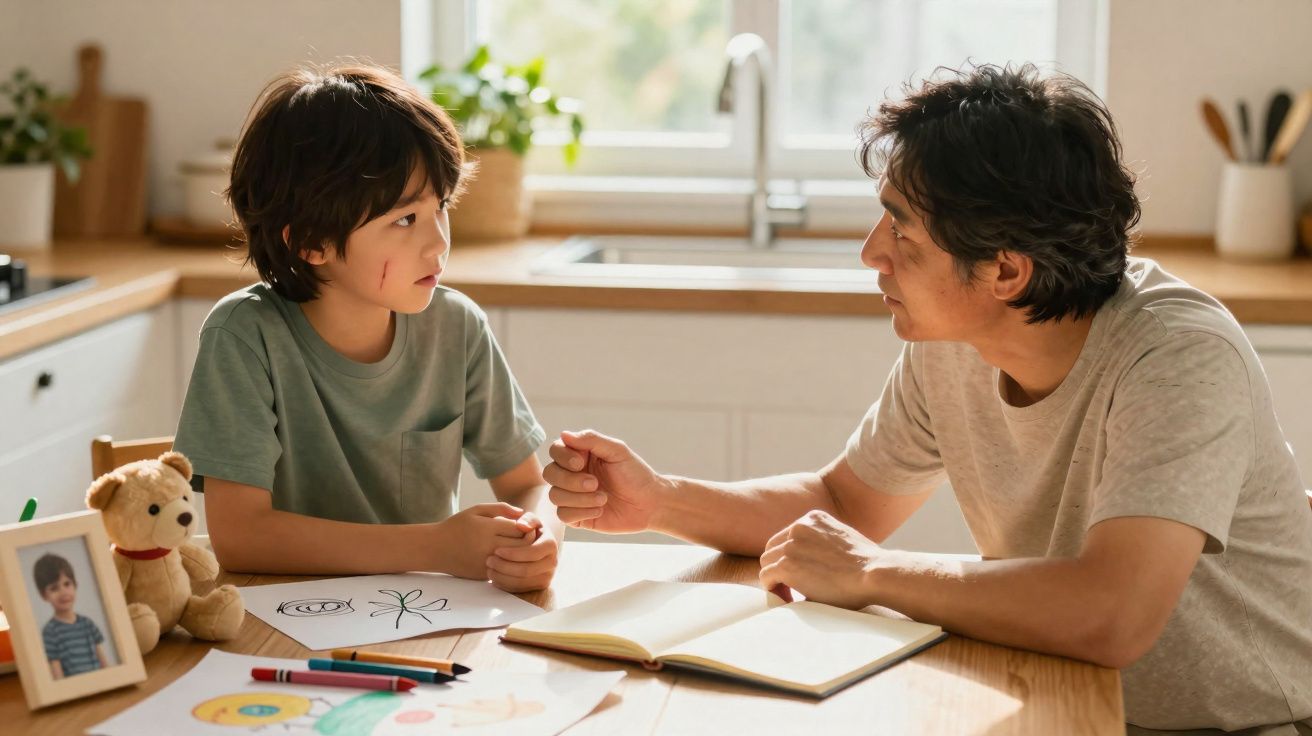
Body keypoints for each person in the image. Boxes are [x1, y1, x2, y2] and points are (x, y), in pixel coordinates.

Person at [544, 64, 1312, 734]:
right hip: (1067, 688)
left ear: (1005, 272)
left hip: (1246, 723)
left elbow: (1112, 614)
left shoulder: (1176, 357)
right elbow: (843, 503)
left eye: (902, 232)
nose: (871, 252)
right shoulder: (956, 341)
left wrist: (873, 575)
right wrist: (659, 499)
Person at [173, 63, 559, 592]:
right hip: (283, 616)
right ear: (310, 242)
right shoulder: (245, 335)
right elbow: (241, 537)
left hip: (423, 613)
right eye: (405, 219)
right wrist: (437, 547)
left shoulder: (457, 327)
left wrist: (540, 538)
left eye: (441, 206)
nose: (438, 243)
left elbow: (529, 486)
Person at [34, 553, 109, 679]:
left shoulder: (88, 624)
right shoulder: (50, 632)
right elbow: (56, 671)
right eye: (54, 588)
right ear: (44, 595)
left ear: (75, 585)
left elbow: (102, 660)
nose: (63, 592)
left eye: (67, 584)